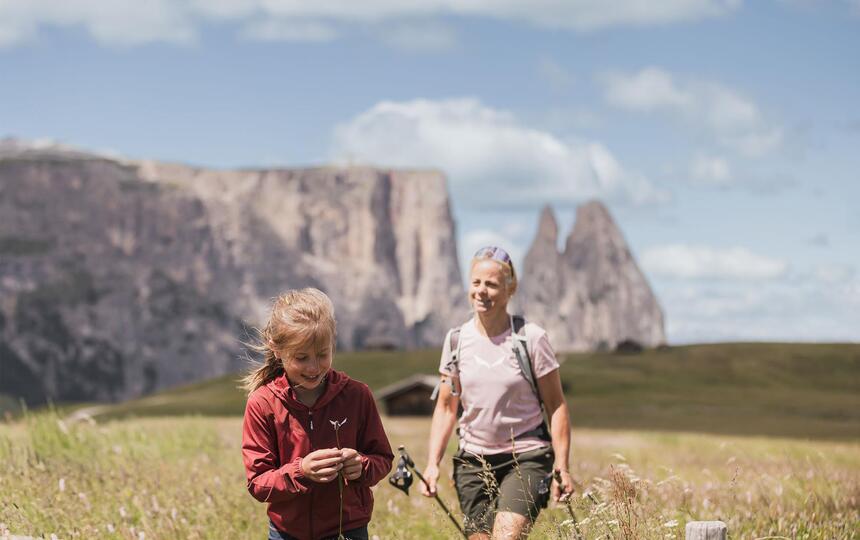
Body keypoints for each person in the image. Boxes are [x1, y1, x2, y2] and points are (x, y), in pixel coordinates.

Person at [420, 246, 573, 540]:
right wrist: (431, 464)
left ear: (509, 288)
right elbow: (446, 407)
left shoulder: (532, 338)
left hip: (526, 456)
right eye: (476, 283)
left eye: (491, 284)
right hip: (472, 461)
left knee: (506, 537)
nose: (482, 291)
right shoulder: (455, 341)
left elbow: (556, 405)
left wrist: (562, 467)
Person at [241, 288, 394, 540]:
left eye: (323, 355)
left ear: (333, 344)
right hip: (287, 533)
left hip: (349, 529)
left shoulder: (357, 395)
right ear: (277, 351)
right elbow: (258, 483)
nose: (314, 367)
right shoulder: (262, 403)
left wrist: (361, 466)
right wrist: (302, 471)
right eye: (301, 358)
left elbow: (383, 459)